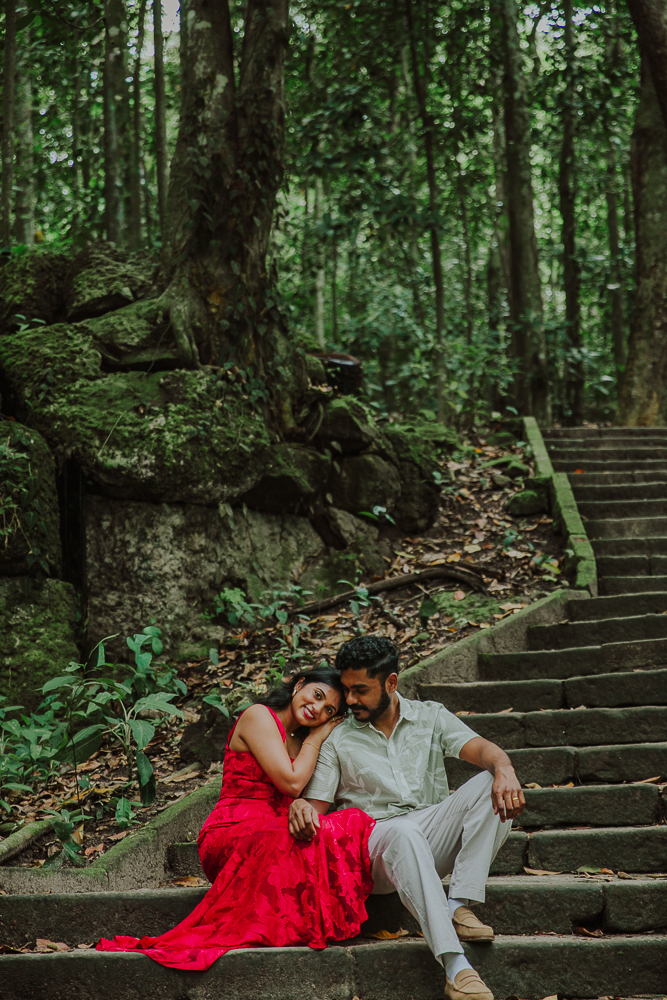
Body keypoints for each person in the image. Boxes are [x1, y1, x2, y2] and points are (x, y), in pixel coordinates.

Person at [288, 636, 526, 1000]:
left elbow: (481, 748)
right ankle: (456, 967)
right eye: (346, 690)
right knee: (401, 832)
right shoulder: (337, 736)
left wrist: (504, 767)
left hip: (427, 833)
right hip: (376, 848)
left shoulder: (429, 715)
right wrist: (302, 806)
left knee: (490, 784)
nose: (349, 700)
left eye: (360, 691)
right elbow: (316, 809)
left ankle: (458, 904)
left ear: (391, 683)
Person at [97, 666, 375, 969]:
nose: (317, 708)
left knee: (348, 821)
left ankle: (301, 924)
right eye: (317, 695)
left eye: (328, 710)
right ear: (299, 685)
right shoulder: (259, 716)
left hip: (274, 833)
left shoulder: (299, 740)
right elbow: (292, 783)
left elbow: (301, 800)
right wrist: (319, 736)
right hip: (231, 832)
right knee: (284, 834)